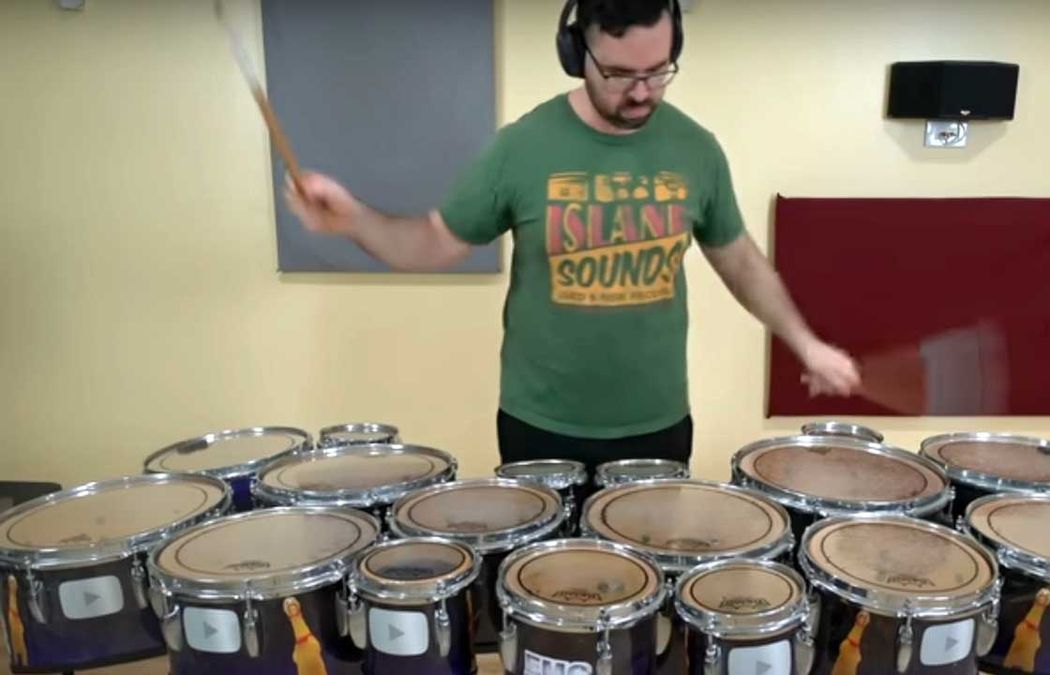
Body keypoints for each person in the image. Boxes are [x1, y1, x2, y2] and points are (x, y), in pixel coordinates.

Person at [285, 0, 861, 474]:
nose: (640, 92)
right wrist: (354, 219)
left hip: (656, 425)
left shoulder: (696, 150)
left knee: (644, 597)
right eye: (617, 74)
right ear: (574, 53)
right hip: (540, 427)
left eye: (657, 71)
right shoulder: (521, 148)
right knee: (549, 602)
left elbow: (739, 260)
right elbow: (434, 241)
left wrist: (804, 342)